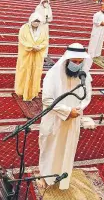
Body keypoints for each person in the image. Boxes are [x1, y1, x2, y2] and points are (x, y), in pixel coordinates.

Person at [38, 43, 92, 190]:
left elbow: (87, 97)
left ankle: (61, 176)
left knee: (67, 149)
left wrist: (79, 109)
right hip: (55, 119)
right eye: (74, 62)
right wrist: (67, 111)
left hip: (73, 121)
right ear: (67, 60)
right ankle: (44, 175)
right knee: (50, 147)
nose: (77, 65)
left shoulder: (84, 75)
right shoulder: (53, 75)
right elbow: (47, 100)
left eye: (80, 62)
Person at [14, 12, 48, 102]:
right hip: (26, 55)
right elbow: (22, 40)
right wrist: (31, 47)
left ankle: (33, 92)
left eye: (38, 21)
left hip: (37, 56)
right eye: (35, 21)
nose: (36, 23)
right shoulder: (24, 28)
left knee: (36, 73)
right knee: (24, 71)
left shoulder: (43, 30)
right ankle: (21, 91)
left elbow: (45, 41)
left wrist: (39, 47)